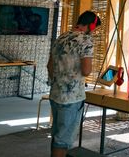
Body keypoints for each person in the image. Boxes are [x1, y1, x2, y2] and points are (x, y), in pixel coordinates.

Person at [47, 11, 99, 157]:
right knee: (62, 141)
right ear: (91, 25)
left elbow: (50, 66)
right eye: (95, 28)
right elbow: (86, 70)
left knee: (57, 135)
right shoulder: (86, 40)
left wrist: (58, 81)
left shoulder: (61, 37)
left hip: (56, 93)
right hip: (72, 98)